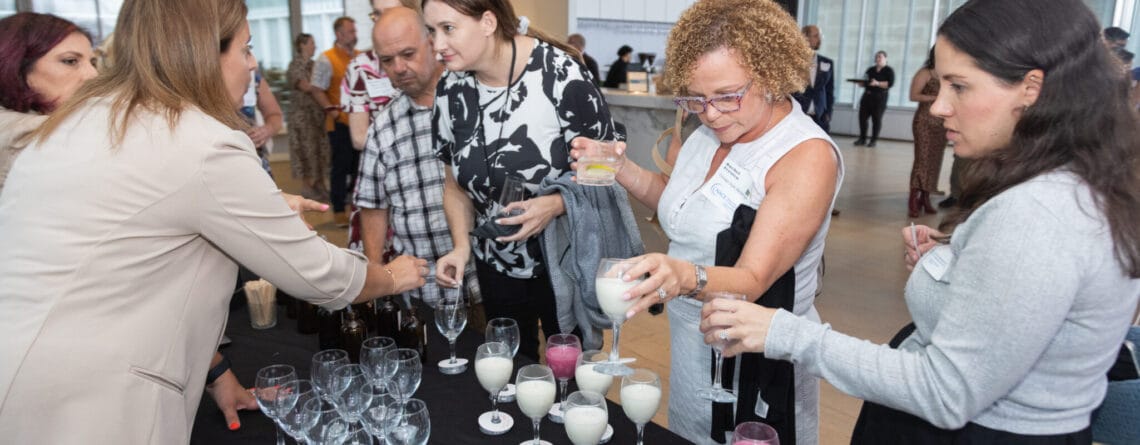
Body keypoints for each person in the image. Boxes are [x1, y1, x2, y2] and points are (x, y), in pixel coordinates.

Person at [701, 0, 1140, 443]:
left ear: (1031, 87)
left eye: (959, 86)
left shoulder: (1036, 214)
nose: (939, 107)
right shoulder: (1081, 181)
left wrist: (783, 333)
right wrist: (958, 259)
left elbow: (946, 391)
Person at [0, 0, 428, 442]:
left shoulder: (83, 123)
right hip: (91, 405)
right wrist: (392, 276)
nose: (253, 64)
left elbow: (137, 242)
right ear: (203, 53)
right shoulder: (199, 141)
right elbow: (318, 276)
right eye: (246, 48)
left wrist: (218, 373)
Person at [572, 0, 843, 442]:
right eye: (696, 98)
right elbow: (680, 208)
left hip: (756, 352)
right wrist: (621, 169)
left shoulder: (804, 155)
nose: (711, 112)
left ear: (771, 74)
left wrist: (681, 276)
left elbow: (752, 279)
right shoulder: (707, 133)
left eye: (726, 95)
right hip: (693, 337)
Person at [425, 0, 624, 361]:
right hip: (494, 262)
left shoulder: (561, 74)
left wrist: (556, 204)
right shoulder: (451, 89)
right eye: (431, 31)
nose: (437, 45)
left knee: (570, 371)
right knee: (512, 367)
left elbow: (606, 168)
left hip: (564, 260)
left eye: (448, 28)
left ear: (488, 22)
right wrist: (460, 247)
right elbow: (454, 185)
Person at [355, 6, 480, 307]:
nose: (399, 67)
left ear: (432, 43)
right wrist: (377, 280)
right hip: (423, 294)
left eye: (408, 54)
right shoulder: (383, 129)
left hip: (485, 283)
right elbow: (373, 207)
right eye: (387, 60)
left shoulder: (475, 99)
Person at [0, 12, 97, 196]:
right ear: (17, 66)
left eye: (93, 62)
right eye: (70, 61)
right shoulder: (32, 134)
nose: (93, 75)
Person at [343, 0, 422, 151]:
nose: (381, 21)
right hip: (388, 163)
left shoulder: (436, 57)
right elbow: (359, 138)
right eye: (377, 13)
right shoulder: (361, 67)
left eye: (390, 13)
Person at [312, 16, 360, 227]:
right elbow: (316, 89)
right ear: (339, 34)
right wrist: (332, 112)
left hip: (361, 122)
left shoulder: (360, 57)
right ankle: (339, 210)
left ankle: (356, 208)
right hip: (339, 123)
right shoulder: (326, 59)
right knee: (340, 168)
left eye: (354, 31)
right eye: (350, 31)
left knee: (359, 168)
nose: (355, 35)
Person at [287, 33, 332, 200]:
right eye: (312, 43)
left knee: (321, 149)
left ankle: (320, 184)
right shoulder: (295, 65)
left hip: (317, 116)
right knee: (305, 150)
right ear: (302, 45)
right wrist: (321, 87)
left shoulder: (315, 65)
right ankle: (307, 186)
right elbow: (306, 87)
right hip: (302, 117)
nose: (315, 46)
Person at [907, 47, 945, 217]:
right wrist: (935, 98)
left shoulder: (947, 74)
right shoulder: (925, 73)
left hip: (942, 123)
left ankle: (925, 197)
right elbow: (913, 96)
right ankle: (913, 198)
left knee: (935, 161)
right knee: (922, 160)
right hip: (924, 121)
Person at [238, 69, 283, 175]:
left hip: (254, 158)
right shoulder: (204, 75)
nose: (253, 63)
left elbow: (275, 115)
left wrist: (266, 130)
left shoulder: (254, 77)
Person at [793, 25, 835, 132]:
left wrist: (828, 114)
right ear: (805, 38)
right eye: (816, 36)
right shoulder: (794, 62)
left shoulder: (827, 62)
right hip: (797, 115)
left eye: (820, 36)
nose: (819, 39)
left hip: (820, 117)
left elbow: (829, 91)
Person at [854, 50, 893, 147]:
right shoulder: (870, 69)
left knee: (876, 119)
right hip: (867, 96)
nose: (878, 59)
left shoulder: (889, 70)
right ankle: (862, 139)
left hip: (880, 97)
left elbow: (890, 83)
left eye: (880, 57)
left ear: (885, 58)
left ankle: (873, 140)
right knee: (862, 118)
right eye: (876, 57)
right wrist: (861, 83)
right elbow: (865, 80)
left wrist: (878, 83)